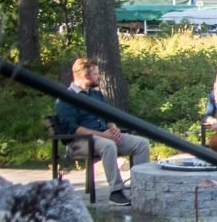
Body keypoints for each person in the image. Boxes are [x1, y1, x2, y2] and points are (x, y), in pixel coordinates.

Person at [54, 57, 151, 206]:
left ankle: (140, 188)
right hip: (79, 141)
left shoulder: (96, 95)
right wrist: (103, 135)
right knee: (108, 145)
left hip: (103, 136)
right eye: (96, 74)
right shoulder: (66, 99)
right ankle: (116, 192)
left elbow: (107, 117)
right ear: (86, 76)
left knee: (142, 144)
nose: (99, 76)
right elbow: (72, 128)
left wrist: (113, 127)